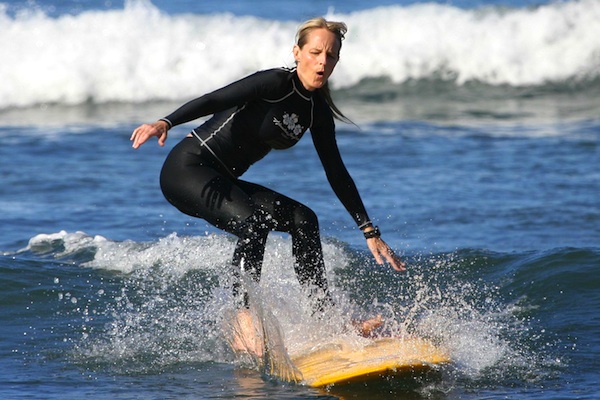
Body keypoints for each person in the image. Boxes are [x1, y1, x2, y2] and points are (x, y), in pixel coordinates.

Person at [130, 17, 406, 344]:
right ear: (297, 52)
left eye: (330, 55)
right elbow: (214, 100)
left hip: (222, 179)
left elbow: (336, 171)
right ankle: (243, 318)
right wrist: (166, 121)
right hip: (188, 169)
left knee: (304, 219)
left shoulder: (316, 111)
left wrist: (369, 230)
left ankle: (326, 319)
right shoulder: (274, 83)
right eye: (315, 52)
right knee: (253, 221)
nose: (322, 61)